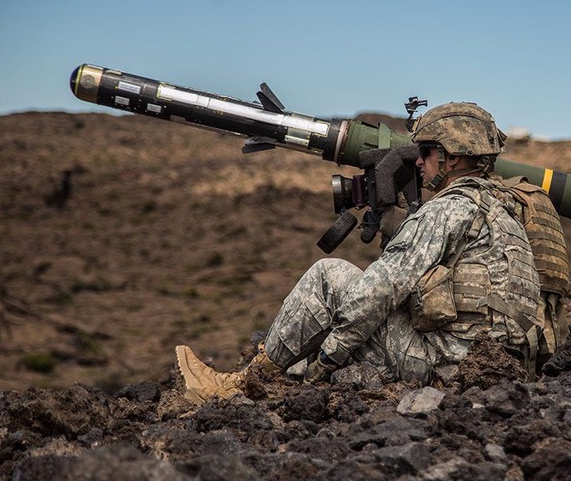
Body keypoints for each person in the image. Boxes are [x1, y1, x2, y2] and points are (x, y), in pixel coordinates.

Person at [176, 102, 545, 405]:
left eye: (427, 153)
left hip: (447, 369)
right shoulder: (504, 211)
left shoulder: (447, 209)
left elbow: (378, 290)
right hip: (502, 372)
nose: (418, 162)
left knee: (330, 277)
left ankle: (238, 387)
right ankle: (286, 374)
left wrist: (329, 356)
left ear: (453, 159)